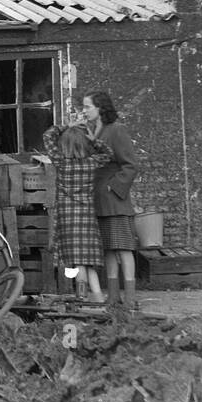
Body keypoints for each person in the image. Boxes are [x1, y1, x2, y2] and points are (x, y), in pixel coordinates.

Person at [41, 121, 109, 302]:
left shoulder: (61, 163)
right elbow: (108, 153)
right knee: (87, 261)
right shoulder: (91, 163)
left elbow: (47, 136)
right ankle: (99, 298)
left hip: (67, 217)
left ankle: (82, 298)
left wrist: (65, 126)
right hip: (87, 216)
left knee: (78, 262)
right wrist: (94, 140)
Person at [83, 91, 140, 310]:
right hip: (99, 201)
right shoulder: (94, 132)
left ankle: (130, 299)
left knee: (123, 248)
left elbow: (131, 164)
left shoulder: (116, 130)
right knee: (107, 249)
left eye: (88, 107)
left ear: (100, 108)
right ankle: (114, 296)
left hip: (115, 201)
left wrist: (113, 187)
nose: (84, 111)